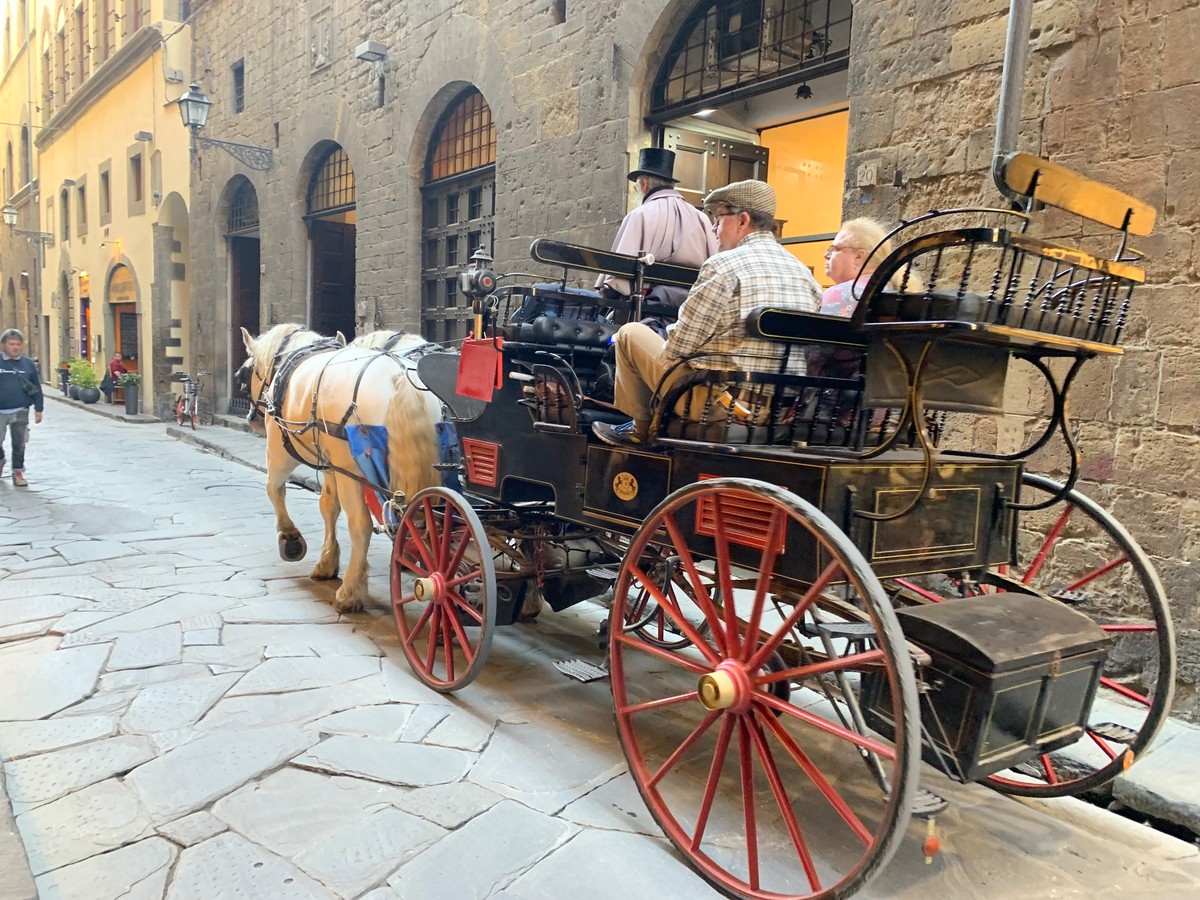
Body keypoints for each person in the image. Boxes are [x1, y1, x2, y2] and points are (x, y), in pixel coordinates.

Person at [593, 179, 822, 446]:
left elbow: (679, 346)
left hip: (721, 404)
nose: (713, 229)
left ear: (742, 220)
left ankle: (640, 429)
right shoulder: (804, 274)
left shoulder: (723, 265)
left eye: (718, 218)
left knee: (630, 333)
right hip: (780, 411)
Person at [597, 147, 717, 303]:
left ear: (644, 183)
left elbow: (618, 279)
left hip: (646, 308)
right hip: (692, 306)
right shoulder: (702, 218)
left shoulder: (640, 215)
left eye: (636, 187)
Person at [0, 328, 44, 487]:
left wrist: (39, 408)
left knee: (19, 443)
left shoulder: (28, 363)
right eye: (11, 344)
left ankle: (18, 472)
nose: (15, 347)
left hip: (20, 408)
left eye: (18, 344)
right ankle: (1, 459)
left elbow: (36, 386)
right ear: (3, 345)